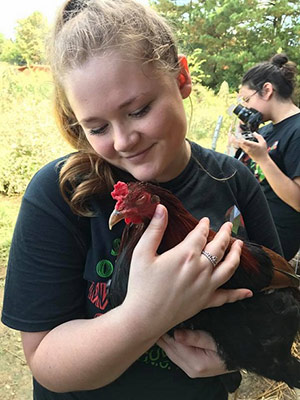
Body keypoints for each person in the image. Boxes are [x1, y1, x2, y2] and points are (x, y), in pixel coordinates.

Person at [1, 1, 282, 399]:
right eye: (96, 127)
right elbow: (47, 363)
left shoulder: (234, 180)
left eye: (139, 110)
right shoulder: (60, 194)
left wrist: (236, 353)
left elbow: (277, 302)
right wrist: (146, 315)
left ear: (182, 78)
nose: (122, 141)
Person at [231, 53, 300, 261]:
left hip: (272, 238)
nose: (245, 107)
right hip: (245, 221)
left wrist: (263, 159)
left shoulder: (297, 130)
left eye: (247, 99)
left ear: (267, 90)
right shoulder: (267, 129)